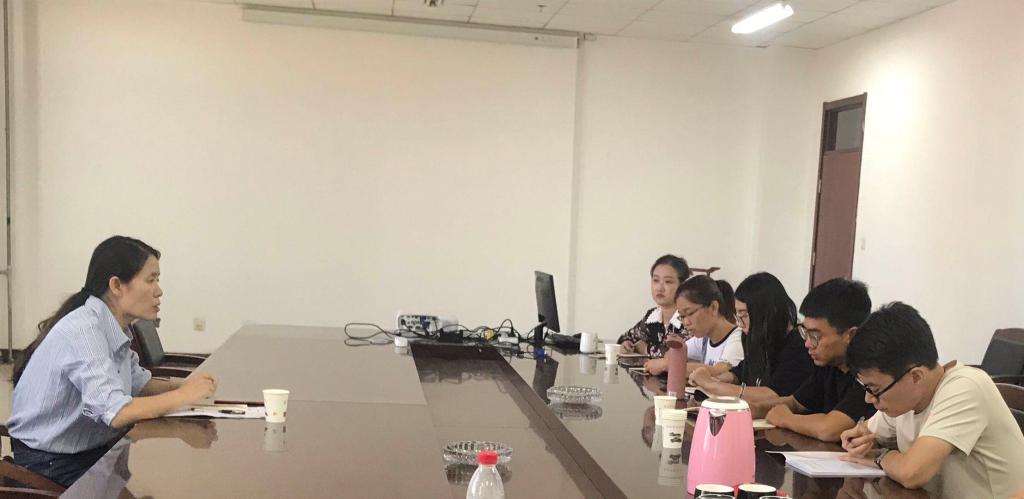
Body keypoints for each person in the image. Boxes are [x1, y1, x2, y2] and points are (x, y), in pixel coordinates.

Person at [7, 236, 218, 487]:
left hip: (92, 450)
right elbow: (116, 411)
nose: (159, 291)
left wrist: (186, 386)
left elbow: (139, 383)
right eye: (151, 280)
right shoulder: (84, 330)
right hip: (51, 464)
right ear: (116, 285)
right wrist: (182, 396)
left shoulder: (113, 326)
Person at [839, 303, 1024, 497]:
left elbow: (912, 473)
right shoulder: (906, 400)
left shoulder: (965, 388)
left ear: (916, 376)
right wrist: (858, 440)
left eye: (874, 390)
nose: (868, 398)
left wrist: (881, 457)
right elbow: (866, 433)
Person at [749, 278, 875, 442]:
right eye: (805, 333)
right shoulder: (830, 363)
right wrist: (755, 408)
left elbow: (830, 429)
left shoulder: (870, 371)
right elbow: (796, 403)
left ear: (850, 335)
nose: (807, 344)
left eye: (815, 336)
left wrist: (786, 418)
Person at [688, 272, 814, 402]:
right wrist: (718, 379)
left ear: (765, 313)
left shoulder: (799, 346)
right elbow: (740, 372)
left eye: (744, 315)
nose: (740, 324)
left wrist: (711, 385)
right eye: (738, 316)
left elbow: (773, 395)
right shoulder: (757, 338)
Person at [645, 275, 741, 376]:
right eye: (682, 316)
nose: (686, 322)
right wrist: (668, 362)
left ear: (713, 307)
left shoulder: (738, 338)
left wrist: (667, 366)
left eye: (690, 313)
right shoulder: (703, 339)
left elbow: (720, 371)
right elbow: (672, 355)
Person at [617, 254, 690, 358]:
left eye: (668, 282)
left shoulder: (689, 317)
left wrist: (645, 349)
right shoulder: (652, 316)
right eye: (656, 280)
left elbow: (678, 353)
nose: (660, 288)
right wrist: (627, 344)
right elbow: (625, 338)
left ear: (682, 285)